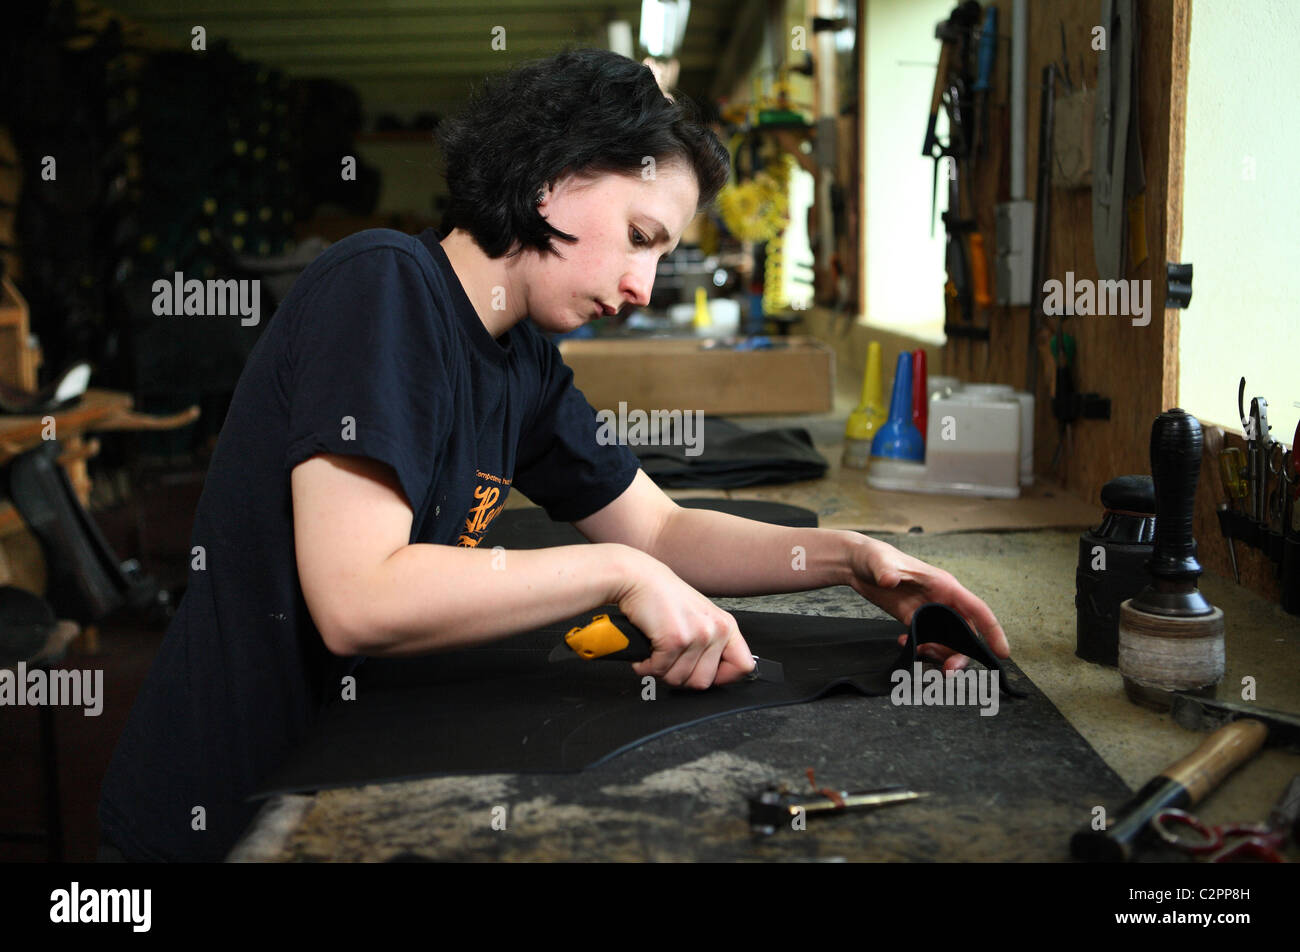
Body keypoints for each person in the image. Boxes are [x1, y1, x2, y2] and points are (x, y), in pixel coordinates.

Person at [98, 48, 1009, 863]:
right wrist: (609, 573)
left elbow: (658, 526)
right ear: (555, 182)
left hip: (347, 761)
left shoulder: (521, 355)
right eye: (642, 238)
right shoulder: (381, 290)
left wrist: (851, 560)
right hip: (225, 808)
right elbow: (357, 599)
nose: (645, 286)